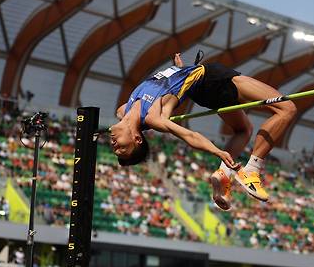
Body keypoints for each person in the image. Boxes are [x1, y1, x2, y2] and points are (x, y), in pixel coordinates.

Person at [111, 53, 297, 210]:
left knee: (243, 130)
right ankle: (252, 170)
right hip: (211, 79)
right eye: (122, 149)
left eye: (116, 149)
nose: (114, 145)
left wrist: (179, 69)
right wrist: (216, 151)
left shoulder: (123, 110)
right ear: (137, 139)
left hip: (200, 91)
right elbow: (189, 136)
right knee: (287, 108)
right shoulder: (154, 117)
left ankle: (224, 175)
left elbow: (167, 89)